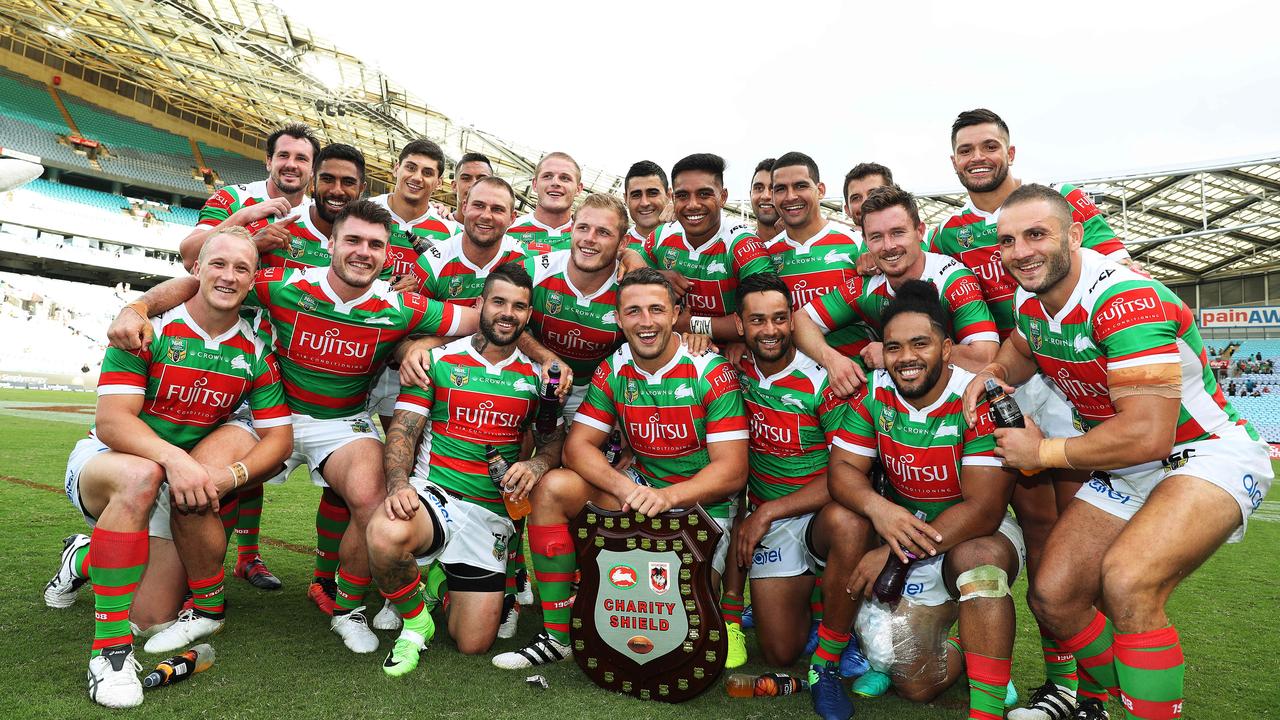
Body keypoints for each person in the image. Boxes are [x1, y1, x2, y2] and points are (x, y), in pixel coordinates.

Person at [103, 200, 479, 654]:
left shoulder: (401, 306)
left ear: (386, 254)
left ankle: (348, 609)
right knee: (196, 484)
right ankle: (206, 609)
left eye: (375, 245)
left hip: (341, 423)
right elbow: (199, 280)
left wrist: (425, 342)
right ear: (332, 244)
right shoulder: (281, 285)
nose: (364, 252)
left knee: (371, 497)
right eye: (353, 240)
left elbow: (482, 319)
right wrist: (138, 307)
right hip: (265, 414)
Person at [962, 184, 1273, 720]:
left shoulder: (1125, 300)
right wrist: (991, 372)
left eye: (1037, 235)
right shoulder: (1030, 299)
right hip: (1129, 468)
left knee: (1128, 581)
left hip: (1201, 454)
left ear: (1075, 235)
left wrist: (1043, 450)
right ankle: (1130, 699)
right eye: (1008, 241)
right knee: (1054, 595)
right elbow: (1021, 346)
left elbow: (1147, 434)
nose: (1021, 252)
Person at [930, 110, 1132, 717]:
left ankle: (1086, 685)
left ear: (1011, 151)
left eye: (989, 146)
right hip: (1010, 380)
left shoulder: (1060, 205)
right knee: (1038, 525)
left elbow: (1121, 275)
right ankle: (1065, 678)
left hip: (1071, 374)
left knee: (1077, 537)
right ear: (954, 161)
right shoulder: (950, 233)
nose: (978, 157)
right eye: (966, 150)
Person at [47, 228, 293, 708]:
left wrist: (228, 478)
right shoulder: (147, 329)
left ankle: (83, 559)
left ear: (253, 280)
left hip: (174, 481)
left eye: (241, 268)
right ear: (196, 270)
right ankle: (110, 654)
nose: (228, 275)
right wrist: (176, 460)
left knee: (154, 616)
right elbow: (113, 421)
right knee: (143, 476)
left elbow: (278, 440)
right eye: (218, 264)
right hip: (112, 466)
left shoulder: (258, 351)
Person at [490, 267, 748, 670]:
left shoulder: (711, 371)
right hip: (638, 497)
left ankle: (595, 591)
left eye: (656, 310)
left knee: (668, 625)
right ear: (618, 316)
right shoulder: (615, 368)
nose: (645, 322)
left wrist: (665, 497)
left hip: (700, 512)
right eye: (633, 312)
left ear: (675, 313)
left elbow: (731, 472)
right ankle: (558, 636)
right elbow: (577, 448)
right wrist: (631, 491)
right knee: (555, 486)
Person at [832, 280, 1023, 720]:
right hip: (908, 530)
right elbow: (841, 472)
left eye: (921, 344)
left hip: (973, 532)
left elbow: (983, 510)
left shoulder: (976, 400)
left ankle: (987, 704)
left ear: (948, 348)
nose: (907, 358)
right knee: (916, 684)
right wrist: (880, 510)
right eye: (894, 346)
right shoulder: (875, 391)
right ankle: (970, 644)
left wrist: (893, 550)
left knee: (979, 564)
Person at [368, 263, 564, 676]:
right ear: (480, 304)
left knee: (473, 643)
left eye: (519, 306)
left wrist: (537, 462)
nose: (507, 313)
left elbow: (551, 440)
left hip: (491, 515)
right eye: (498, 302)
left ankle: (440, 580)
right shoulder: (437, 360)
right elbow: (404, 430)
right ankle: (416, 618)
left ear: (529, 316)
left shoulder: (539, 378)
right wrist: (399, 484)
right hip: (436, 499)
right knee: (385, 533)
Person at [717, 274, 875, 695]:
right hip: (774, 521)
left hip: (817, 513)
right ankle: (813, 606)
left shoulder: (826, 380)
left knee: (849, 523)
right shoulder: (729, 370)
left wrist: (767, 511)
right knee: (780, 653)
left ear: (792, 321)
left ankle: (833, 643)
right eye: (757, 321)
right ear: (740, 324)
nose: (769, 331)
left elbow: (849, 474)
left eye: (779, 319)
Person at [792, 185, 999, 396]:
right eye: (876, 237)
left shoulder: (952, 280)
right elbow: (800, 320)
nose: (888, 246)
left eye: (897, 233)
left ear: (920, 231)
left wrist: (893, 354)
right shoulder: (867, 285)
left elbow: (983, 357)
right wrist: (831, 360)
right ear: (865, 242)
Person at [630, 153, 775, 342]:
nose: (692, 205)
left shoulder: (744, 244)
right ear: (673, 198)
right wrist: (654, 276)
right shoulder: (660, 236)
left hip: (729, 359)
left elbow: (766, 315)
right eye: (683, 196)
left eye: (704, 194)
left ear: (723, 197)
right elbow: (629, 279)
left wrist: (691, 325)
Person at [762, 153, 871, 363]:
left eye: (800, 186)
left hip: (855, 379)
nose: (790, 196)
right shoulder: (764, 254)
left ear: (820, 190)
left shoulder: (857, 244)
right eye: (781, 189)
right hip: (792, 385)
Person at [179, 123, 322, 271]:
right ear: (269, 161)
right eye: (283, 155)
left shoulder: (319, 218)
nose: (291, 164)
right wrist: (244, 218)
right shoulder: (233, 197)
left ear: (313, 169)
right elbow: (190, 258)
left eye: (301, 158)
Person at [372, 139, 460, 291]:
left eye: (427, 173)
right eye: (410, 167)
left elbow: (452, 289)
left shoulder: (451, 234)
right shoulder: (362, 212)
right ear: (396, 169)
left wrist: (423, 284)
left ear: (438, 183)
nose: (417, 177)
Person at [510, 152, 583, 254]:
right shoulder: (507, 232)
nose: (555, 183)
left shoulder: (588, 237)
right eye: (547, 176)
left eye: (565, 178)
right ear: (534, 185)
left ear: (578, 189)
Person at [623, 160, 671, 252]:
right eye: (636, 195)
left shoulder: (690, 237)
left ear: (669, 195)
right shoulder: (616, 246)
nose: (644, 203)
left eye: (652, 193)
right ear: (626, 199)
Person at [449, 152, 493, 223]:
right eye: (466, 178)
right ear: (454, 186)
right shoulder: (437, 225)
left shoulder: (499, 232)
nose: (473, 184)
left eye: (482, 179)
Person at [749, 157, 782, 243]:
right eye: (759, 188)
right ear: (750, 194)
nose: (766, 196)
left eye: (774, 188)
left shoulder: (810, 247)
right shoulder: (735, 250)